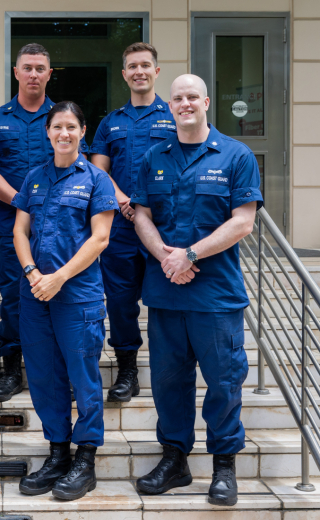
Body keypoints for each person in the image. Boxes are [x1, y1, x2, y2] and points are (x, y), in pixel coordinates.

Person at [131, 74, 262, 506]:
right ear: (169, 105)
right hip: (166, 292)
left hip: (215, 296)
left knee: (224, 382)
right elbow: (142, 214)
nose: (185, 104)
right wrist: (169, 258)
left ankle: (224, 466)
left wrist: (189, 255)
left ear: (206, 101)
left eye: (192, 97)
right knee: (169, 382)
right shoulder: (154, 156)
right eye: (178, 98)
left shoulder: (235, 155)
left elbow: (243, 222)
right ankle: (175, 460)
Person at [12, 101, 118, 501]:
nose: (64, 134)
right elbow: (20, 232)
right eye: (57, 126)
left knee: (83, 377)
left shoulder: (96, 179)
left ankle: (85, 459)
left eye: (71, 127)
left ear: (82, 130)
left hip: (77, 296)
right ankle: (58, 453)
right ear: (48, 131)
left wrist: (58, 276)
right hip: (35, 294)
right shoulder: (34, 177)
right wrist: (33, 273)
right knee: (43, 377)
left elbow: (100, 238)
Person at [0, 43, 87, 403]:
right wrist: (23, 203)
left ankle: (62, 368)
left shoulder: (61, 118)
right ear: (16, 72)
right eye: (28, 68)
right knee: (14, 296)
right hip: (12, 226)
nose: (34, 74)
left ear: (49, 74)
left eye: (41, 68)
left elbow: (80, 164)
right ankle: (11, 370)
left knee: (63, 291)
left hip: (64, 227)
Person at [90, 42, 177, 403]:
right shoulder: (111, 123)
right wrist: (123, 200)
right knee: (121, 302)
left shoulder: (176, 115)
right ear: (124, 74)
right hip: (123, 227)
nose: (139, 71)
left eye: (145, 65)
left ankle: (171, 369)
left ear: (156, 72)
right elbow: (97, 170)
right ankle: (128, 370)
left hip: (166, 226)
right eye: (132, 66)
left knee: (166, 298)